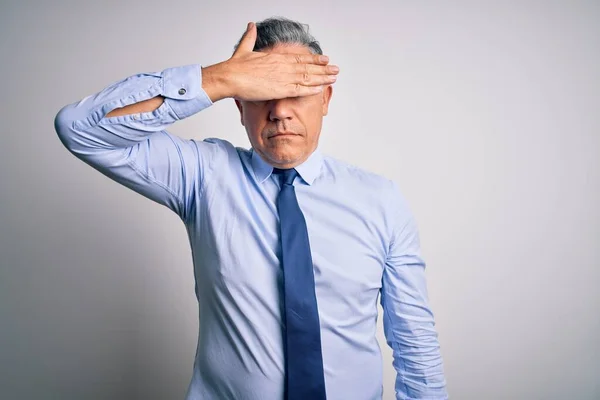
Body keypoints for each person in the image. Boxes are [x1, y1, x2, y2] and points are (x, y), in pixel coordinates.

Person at [54, 16, 448, 400]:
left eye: (295, 91)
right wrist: (218, 79)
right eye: (261, 94)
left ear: (325, 99)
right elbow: (80, 128)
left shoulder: (380, 199)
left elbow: (414, 340)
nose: (279, 111)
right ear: (239, 106)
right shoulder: (204, 175)